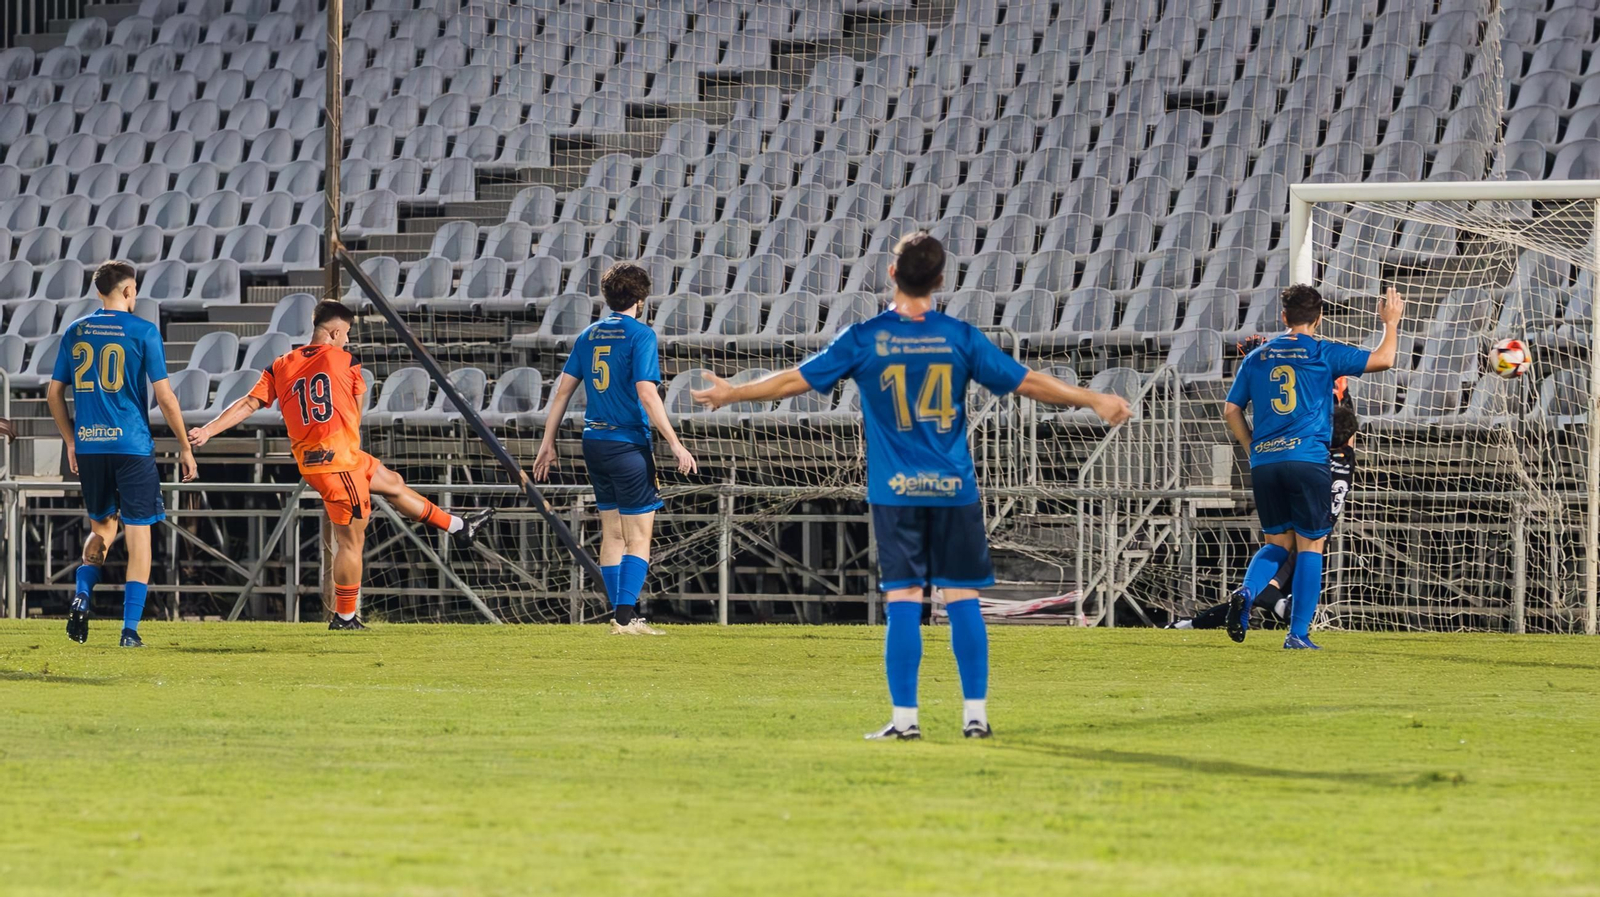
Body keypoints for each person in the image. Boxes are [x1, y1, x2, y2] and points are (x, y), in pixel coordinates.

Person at [692, 233, 1133, 740]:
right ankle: (976, 717)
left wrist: (733, 392)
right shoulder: (958, 336)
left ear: (890, 273)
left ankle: (906, 722)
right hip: (953, 489)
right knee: (962, 596)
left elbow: (795, 380)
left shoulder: (865, 337)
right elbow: (1026, 381)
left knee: (903, 598)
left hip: (896, 491)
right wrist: (1092, 398)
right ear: (942, 280)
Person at [188, 300, 493, 629]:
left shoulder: (281, 363)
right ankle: (345, 617)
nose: (348, 340)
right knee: (351, 541)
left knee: (391, 483)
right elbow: (357, 408)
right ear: (334, 332)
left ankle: (459, 527)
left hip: (318, 459)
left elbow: (248, 403)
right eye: (345, 333)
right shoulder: (346, 361)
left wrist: (208, 430)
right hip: (339, 462)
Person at [1221, 284, 1402, 649]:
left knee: (1276, 543)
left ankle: (1247, 590)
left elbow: (1231, 409)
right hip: (1308, 459)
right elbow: (1384, 359)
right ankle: (1297, 634)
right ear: (1319, 318)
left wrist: (1252, 447)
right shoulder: (1322, 352)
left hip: (1266, 461)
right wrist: (1391, 322)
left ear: (1283, 317)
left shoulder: (1256, 357)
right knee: (1310, 545)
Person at [532, 262, 698, 636]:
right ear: (641, 300)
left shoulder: (589, 334)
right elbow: (646, 391)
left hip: (594, 442)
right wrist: (675, 442)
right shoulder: (641, 335)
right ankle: (626, 620)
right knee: (638, 536)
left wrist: (548, 443)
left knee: (613, 535)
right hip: (627, 443)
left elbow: (562, 392)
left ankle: (622, 615)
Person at [47, 261, 199, 648]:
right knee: (139, 535)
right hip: (131, 445)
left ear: (100, 292)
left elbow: (53, 393)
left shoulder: (76, 330)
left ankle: (83, 594)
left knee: (101, 530)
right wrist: (184, 445)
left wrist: (70, 440)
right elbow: (164, 396)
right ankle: (129, 630)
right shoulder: (143, 331)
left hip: (91, 445)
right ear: (129, 291)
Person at [1170, 404, 1358, 632]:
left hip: (1298, 537)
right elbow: (1346, 436)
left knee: (1259, 595)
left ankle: (1193, 624)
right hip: (1318, 539)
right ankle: (1190, 625)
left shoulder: (1313, 461)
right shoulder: (1348, 459)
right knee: (1259, 598)